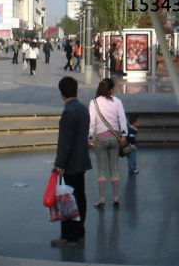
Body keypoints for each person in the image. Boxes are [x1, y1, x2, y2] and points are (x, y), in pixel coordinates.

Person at [51, 76, 91, 247]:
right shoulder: (83, 108)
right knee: (80, 197)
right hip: (81, 160)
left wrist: (60, 164)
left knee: (68, 199)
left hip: (71, 163)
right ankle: (80, 231)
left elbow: (65, 142)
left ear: (61, 93)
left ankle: (69, 235)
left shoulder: (68, 112)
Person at [88, 78, 128, 207]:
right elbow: (122, 119)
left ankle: (101, 198)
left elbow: (91, 122)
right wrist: (124, 135)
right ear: (111, 89)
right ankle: (116, 197)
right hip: (115, 138)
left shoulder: (94, 103)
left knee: (101, 169)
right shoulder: (117, 102)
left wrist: (89, 137)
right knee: (114, 168)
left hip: (101, 138)